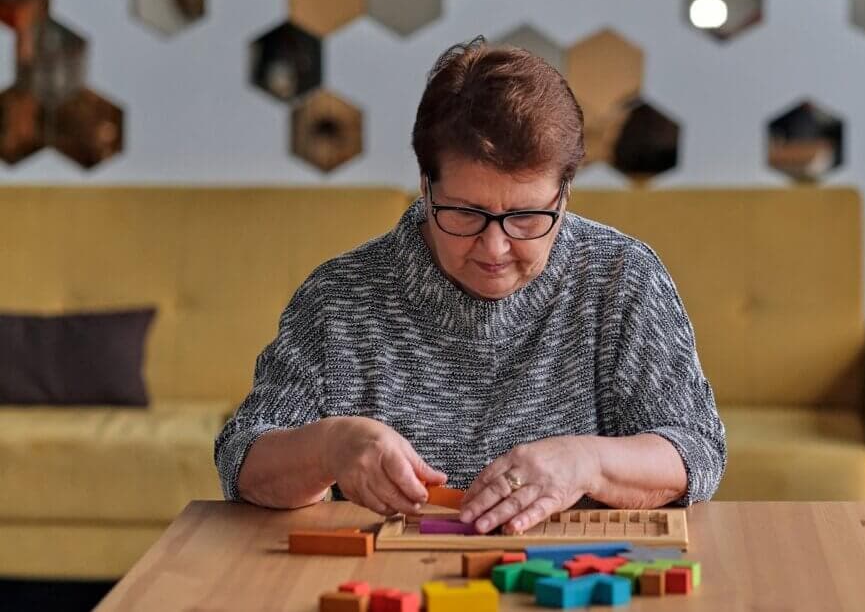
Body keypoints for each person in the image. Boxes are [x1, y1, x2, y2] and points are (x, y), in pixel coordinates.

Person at [214, 37, 726, 535]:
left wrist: (586, 462)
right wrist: (329, 447)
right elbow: (243, 460)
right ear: (425, 185)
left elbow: (697, 447)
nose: (494, 248)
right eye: (465, 213)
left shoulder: (621, 279)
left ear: (564, 195)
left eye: (526, 217)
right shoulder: (339, 298)